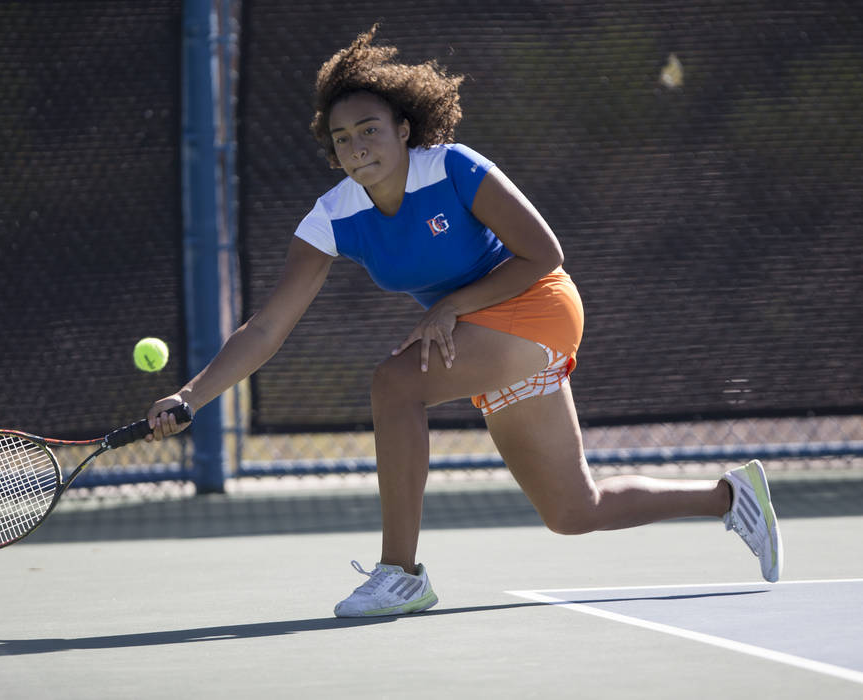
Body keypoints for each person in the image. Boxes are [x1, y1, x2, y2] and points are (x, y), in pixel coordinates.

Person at [146, 26, 782, 617]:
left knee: (396, 384)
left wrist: (451, 306)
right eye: (343, 140)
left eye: (370, 129)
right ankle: (729, 497)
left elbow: (544, 254)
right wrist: (190, 395)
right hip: (481, 334)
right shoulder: (330, 220)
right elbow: (265, 328)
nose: (358, 147)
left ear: (403, 127)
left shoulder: (451, 167)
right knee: (572, 509)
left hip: (539, 305)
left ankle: (401, 573)